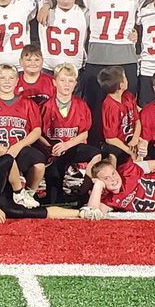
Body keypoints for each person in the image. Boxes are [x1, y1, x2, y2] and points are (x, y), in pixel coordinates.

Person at [79, 0, 141, 142]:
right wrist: (48, 3)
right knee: (95, 105)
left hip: (125, 56)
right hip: (97, 56)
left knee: (126, 104)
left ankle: (124, 143)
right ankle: (95, 146)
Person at [0, 63, 45, 206]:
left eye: (11, 78)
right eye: (2, 78)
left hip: (18, 149)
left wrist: (19, 146)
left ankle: (28, 194)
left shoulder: (27, 104)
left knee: (39, 162)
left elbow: (37, 130)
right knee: (1, 195)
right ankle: (17, 192)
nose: (6, 82)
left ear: (17, 81)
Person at [40, 63, 99, 205]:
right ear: (54, 82)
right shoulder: (45, 106)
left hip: (71, 146)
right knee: (54, 198)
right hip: (53, 151)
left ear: (75, 84)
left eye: (70, 81)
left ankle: (83, 192)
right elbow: (37, 133)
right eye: (62, 80)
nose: (66, 85)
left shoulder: (81, 105)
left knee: (96, 153)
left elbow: (84, 133)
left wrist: (67, 144)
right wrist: (50, 147)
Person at [38, 0, 89, 75]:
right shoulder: (42, 6)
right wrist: (47, 5)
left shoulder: (85, 11)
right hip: (48, 71)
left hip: (75, 72)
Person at [97, 66, 141, 160]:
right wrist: (129, 151)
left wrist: (135, 139)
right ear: (121, 85)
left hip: (131, 140)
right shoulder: (110, 106)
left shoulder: (128, 97)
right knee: (113, 152)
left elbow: (137, 121)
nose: (127, 79)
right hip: (118, 144)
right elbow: (110, 139)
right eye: (125, 77)